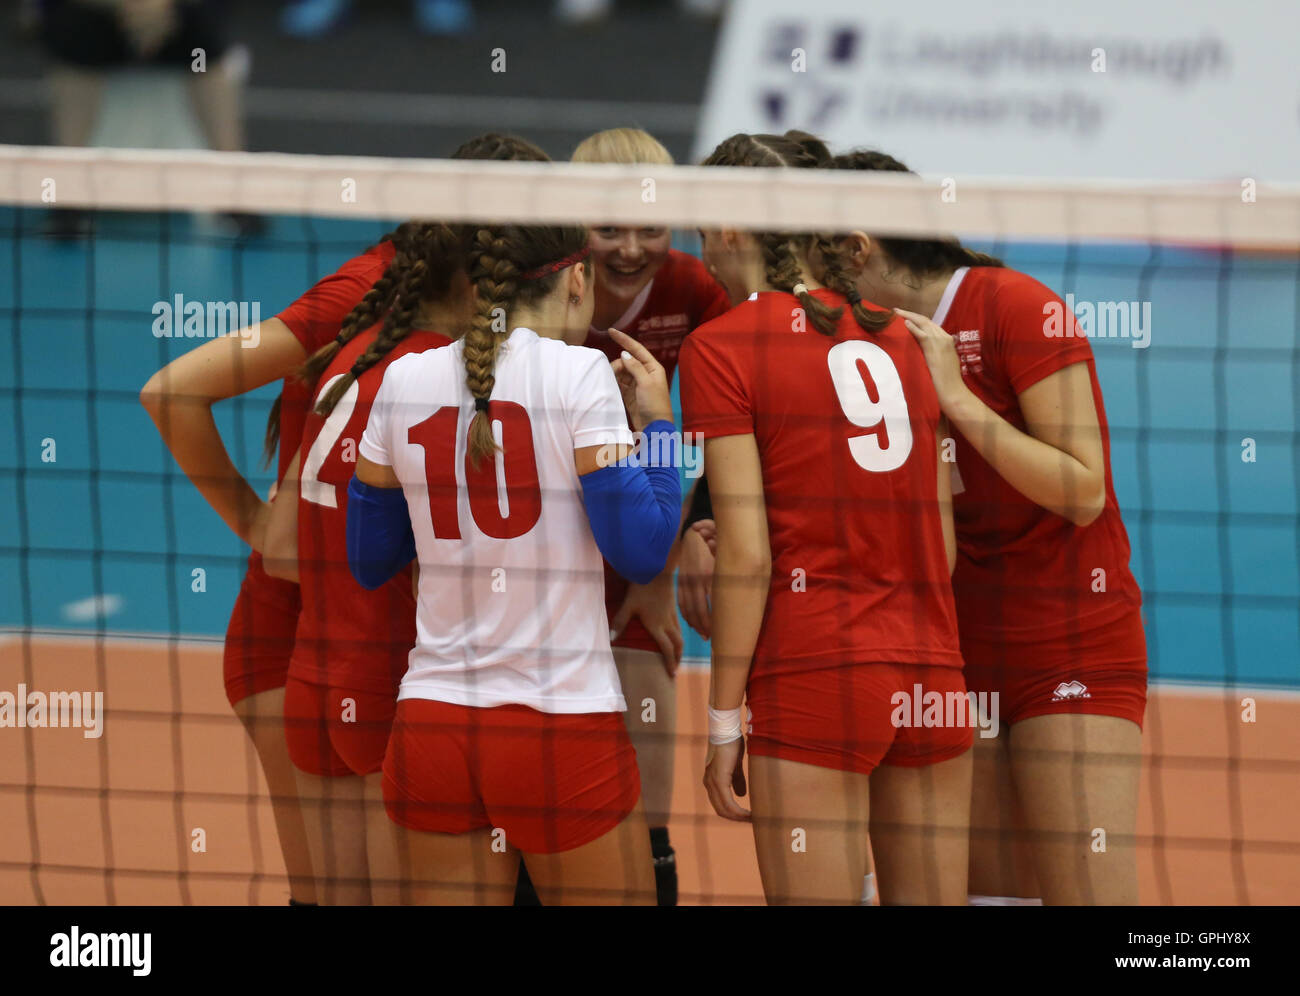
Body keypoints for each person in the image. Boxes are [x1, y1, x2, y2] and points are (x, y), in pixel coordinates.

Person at [139, 132, 548, 905]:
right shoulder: (387, 321)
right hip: (323, 641)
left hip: (323, 657)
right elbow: (172, 392)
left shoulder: (397, 338)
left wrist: (279, 536)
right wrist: (259, 530)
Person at [831, 149, 1146, 905]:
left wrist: (958, 399)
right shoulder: (862, 342)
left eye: (818, 258)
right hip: (959, 651)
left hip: (1069, 640)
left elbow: (1083, 490)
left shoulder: (1012, 305)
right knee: (990, 900)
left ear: (857, 248)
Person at [679, 131, 972, 905]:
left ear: (733, 227)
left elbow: (748, 557)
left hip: (819, 674)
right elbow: (940, 546)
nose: (699, 247)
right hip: (932, 674)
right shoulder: (904, 338)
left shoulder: (719, 348)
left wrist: (720, 723)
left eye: (701, 226)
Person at [350, 222, 681, 904]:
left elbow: (368, 557)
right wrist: (660, 430)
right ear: (577, 280)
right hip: (559, 728)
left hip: (434, 725)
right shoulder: (580, 372)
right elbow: (643, 552)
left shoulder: (401, 378)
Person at [530, 125, 730, 906]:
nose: (629, 248)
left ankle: (655, 875)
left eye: (650, 228)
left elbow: (709, 435)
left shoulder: (693, 292)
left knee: (648, 789)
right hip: (542, 539)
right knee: (534, 785)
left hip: (640, 526)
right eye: (608, 228)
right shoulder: (541, 283)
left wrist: (665, 562)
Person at [262, 222, 467, 905]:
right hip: (389, 686)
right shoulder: (442, 376)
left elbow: (281, 549)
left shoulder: (349, 354)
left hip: (312, 680)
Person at [35, 0, 256, 237]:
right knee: (75, 42)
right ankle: (70, 194)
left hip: (180, 30)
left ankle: (233, 188)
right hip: (100, 20)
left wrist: (161, 6)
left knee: (203, 51)